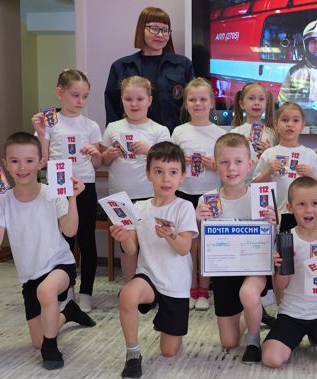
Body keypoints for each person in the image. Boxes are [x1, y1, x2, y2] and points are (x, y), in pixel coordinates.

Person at [0, 132, 96, 370]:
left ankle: (51, 348)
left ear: (41, 163)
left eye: (29, 161)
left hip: (59, 266)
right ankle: (68, 313)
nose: (22, 167)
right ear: (5, 164)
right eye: (15, 161)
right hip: (30, 276)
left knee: (47, 291)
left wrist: (72, 199)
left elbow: (70, 230)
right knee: (36, 341)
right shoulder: (3, 200)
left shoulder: (52, 193)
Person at [111, 141, 198, 379]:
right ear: (148, 174)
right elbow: (131, 250)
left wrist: (170, 235)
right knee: (127, 294)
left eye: (173, 172)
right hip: (148, 276)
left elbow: (184, 249)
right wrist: (123, 237)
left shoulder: (184, 207)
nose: (166, 178)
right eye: (159, 171)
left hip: (176, 285)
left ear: (182, 176)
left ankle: (166, 325)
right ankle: (133, 354)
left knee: (169, 351)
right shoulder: (138, 208)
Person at [195, 133, 277, 363]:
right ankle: (254, 314)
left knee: (248, 293)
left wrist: (274, 223)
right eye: (224, 162)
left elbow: (272, 239)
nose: (232, 168)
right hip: (224, 272)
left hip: (255, 268)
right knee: (229, 342)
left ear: (249, 165)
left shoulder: (260, 198)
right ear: (215, 165)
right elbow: (201, 241)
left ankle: (253, 341)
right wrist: (197, 220)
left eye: (238, 161)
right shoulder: (207, 200)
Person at [31, 69, 102, 312]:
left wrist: (95, 153)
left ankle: (86, 292)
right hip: (58, 185)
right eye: (75, 95)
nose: (80, 101)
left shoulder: (91, 125)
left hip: (85, 185)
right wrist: (41, 133)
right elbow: (42, 160)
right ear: (59, 93)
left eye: (85, 96)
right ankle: (67, 289)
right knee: (63, 240)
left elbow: (97, 164)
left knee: (87, 238)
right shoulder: (50, 122)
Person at [262, 176, 317, 369]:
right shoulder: (286, 239)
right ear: (290, 207)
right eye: (301, 204)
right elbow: (280, 285)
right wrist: (284, 266)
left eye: (314, 203)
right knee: (271, 359)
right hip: (290, 313)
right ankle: (303, 338)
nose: (309, 210)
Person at [100, 76, 170, 283]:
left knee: (151, 243)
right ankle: (130, 285)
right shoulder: (113, 127)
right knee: (127, 244)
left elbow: (168, 162)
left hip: (150, 196)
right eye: (128, 99)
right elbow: (103, 160)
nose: (134, 104)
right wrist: (108, 155)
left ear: (149, 100)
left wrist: (150, 150)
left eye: (140, 99)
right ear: (121, 100)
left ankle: (155, 285)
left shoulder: (159, 130)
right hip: (120, 197)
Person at [170, 78, 227, 311]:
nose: (198, 104)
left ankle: (204, 290)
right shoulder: (179, 131)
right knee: (189, 243)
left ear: (212, 103)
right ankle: (190, 288)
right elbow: (170, 164)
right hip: (185, 194)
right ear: (186, 104)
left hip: (210, 194)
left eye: (203, 99)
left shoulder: (219, 133)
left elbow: (228, 168)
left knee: (207, 243)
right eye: (192, 99)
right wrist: (179, 163)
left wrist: (216, 165)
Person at [105, 7, 194, 133]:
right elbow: (112, 111)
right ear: (141, 29)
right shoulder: (121, 67)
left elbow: (193, 104)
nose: (160, 35)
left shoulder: (183, 65)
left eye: (165, 30)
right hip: (132, 139)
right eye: (154, 28)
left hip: (173, 138)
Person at [253, 103, 317, 232]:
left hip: (304, 213)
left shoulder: (310, 155)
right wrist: (269, 171)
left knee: (301, 243)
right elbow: (255, 185)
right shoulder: (269, 153)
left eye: (295, 120)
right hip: (276, 213)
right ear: (276, 125)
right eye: (285, 120)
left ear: (302, 126)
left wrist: (310, 176)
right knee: (280, 244)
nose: (290, 124)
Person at [229, 82, 277, 182]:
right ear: (242, 104)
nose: (257, 103)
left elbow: (278, 163)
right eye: (251, 98)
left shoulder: (272, 134)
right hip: (240, 184)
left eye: (261, 99)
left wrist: (270, 152)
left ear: (266, 103)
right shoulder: (234, 133)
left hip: (265, 185)